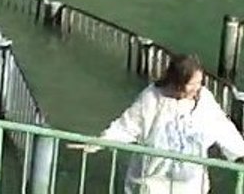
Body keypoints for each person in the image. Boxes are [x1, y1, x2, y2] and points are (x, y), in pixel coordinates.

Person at [71, 54, 244, 193]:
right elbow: (128, 125)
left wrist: (240, 153)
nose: (197, 88)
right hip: (152, 184)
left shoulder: (204, 99)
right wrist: (98, 143)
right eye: (192, 84)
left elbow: (222, 127)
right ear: (177, 83)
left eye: (200, 83)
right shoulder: (152, 98)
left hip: (191, 186)